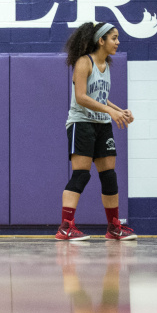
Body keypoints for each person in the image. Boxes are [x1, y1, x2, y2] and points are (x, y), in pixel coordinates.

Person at [57, 21, 137, 241]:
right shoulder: (84, 62)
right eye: (114, 38)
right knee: (81, 175)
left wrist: (121, 111)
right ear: (101, 40)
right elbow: (82, 97)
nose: (118, 42)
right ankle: (66, 227)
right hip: (81, 123)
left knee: (109, 177)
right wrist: (110, 112)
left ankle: (113, 227)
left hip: (102, 125)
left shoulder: (106, 66)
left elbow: (101, 97)